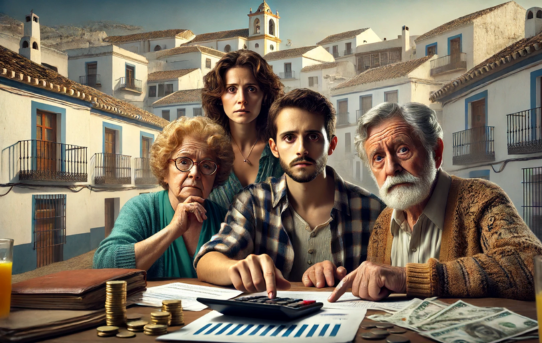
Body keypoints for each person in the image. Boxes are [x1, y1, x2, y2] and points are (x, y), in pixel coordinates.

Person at [328, 102, 542, 302]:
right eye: (378, 158)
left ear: (437, 152)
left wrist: (409, 279)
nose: (390, 168)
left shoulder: (483, 198)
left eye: (403, 150)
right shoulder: (382, 224)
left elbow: (536, 269)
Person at [195, 89, 385, 297]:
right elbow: (206, 261)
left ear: (331, 145)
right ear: (274, 148)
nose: (301, 149)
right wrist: (239, 268)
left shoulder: (372, 210)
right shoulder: (253, 201)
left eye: (312, 136)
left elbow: (388, 279)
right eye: (289, 138)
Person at [93, 116, 234, 279]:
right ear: (164, 171)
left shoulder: (225, 219)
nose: (194, 173)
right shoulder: (141, 209)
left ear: (216, 177)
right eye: (183, 162)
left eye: (207, 166)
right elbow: (102, 265)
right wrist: (173, 229)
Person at [202, 50, 285, 210]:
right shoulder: (207, 153)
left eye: (251, 89)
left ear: (264, 95)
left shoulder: (282, 151)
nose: (242, 99)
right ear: (219, 97)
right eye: (232, 89)